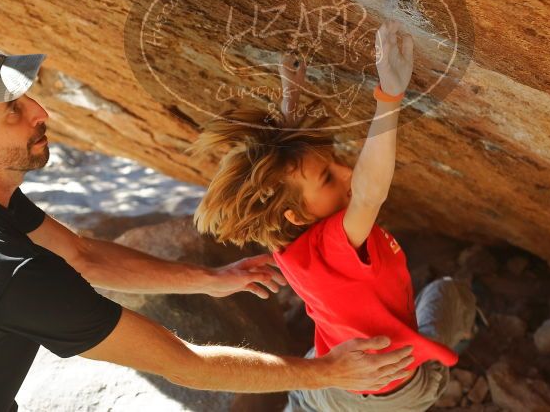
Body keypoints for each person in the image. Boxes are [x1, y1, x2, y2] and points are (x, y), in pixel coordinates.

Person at [0, 44, 415, 412]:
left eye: (25, 96)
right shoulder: (13, 274)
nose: (40, 111)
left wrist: (211, 280)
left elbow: (83, 256)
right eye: (13, 111)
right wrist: (328, 372)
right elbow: (185, 364)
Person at [192, 21, 478, 411]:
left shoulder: (285, 239)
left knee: (308, 402)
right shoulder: (332, 243)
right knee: (447, 291)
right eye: (328, 177)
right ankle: (462, 337)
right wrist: (389, 95)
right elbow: (368, 192)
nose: (346, 173)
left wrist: (291, 93)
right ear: (296, 215)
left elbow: (288, 172)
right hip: (391, 391)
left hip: (330, 372)